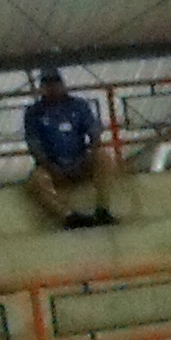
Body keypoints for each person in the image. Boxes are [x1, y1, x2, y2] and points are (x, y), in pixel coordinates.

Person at [21, 69, 115, 229]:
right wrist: (51, 166)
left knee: (104, 158)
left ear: (63, 85)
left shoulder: (78, 106)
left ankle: (103, 208)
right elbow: (34, 144)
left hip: (80, 161)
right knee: (37, 180)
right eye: (47, 85)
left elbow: (94, 133)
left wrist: (87, 156)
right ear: (42, 88)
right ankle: (69, 216)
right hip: (52, 166)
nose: (52, 88)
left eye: (56, 83)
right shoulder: (34, 113)